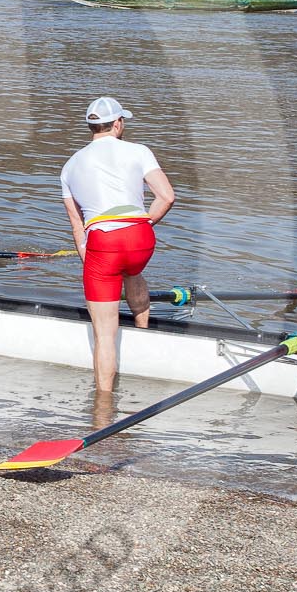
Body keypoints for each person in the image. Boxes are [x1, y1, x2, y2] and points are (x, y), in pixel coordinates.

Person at [59, 97, 176, 391]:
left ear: (92, 127)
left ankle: (103, 404)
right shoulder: (140, 151)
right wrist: (143, 225)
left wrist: (91, 260)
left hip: (103, 241)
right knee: (132, 271)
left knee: (105, 334)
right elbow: (167, 197)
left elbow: (77, 225)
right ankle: (143, 336)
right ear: (118, 123)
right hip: (141, 238)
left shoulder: (70, 166)